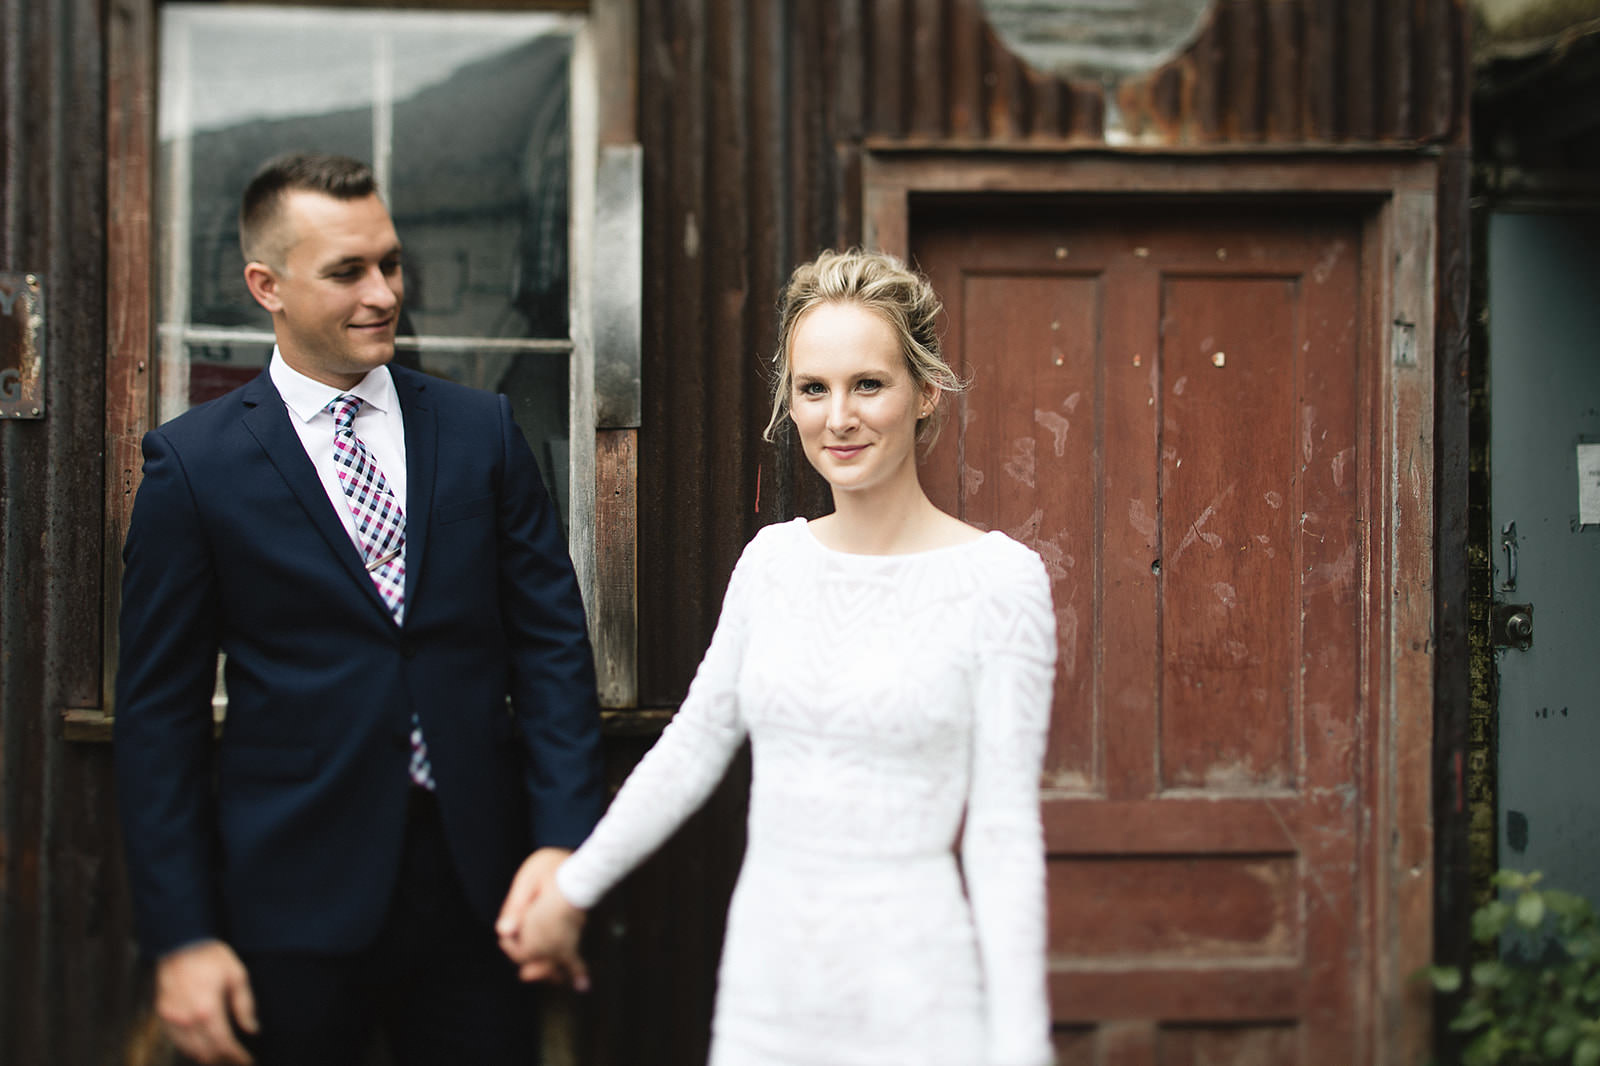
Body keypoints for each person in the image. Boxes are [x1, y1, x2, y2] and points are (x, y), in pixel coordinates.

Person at [498, 249, 1058, 1066]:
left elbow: (1004, 837)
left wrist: (1023, 1051)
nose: (840, 418)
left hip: (916, 994)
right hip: (768, 991)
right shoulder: (773, 563)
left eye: (869, 384)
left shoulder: (999, 580)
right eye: (813, 388)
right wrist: (573, 890)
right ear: (788, 403)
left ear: (925, 391)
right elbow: (691, 751)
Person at [114, 152, 604, 1066]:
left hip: (481, 893)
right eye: (347, 272)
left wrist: (563, 844)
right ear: (267, 285)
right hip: (288, 901)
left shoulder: (481, 431)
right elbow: (158, 721)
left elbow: (552, 654)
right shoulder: (194, 467)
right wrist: (180, 936)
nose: (383, 292)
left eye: (391, 263)